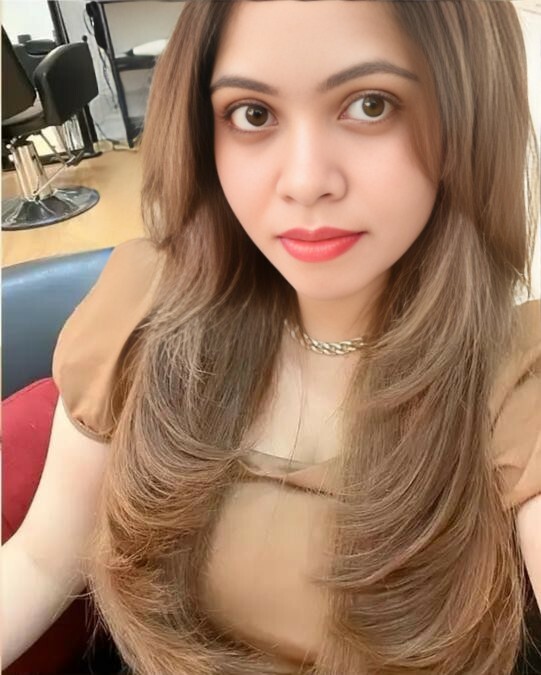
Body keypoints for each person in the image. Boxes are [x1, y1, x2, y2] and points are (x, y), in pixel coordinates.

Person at [2, 1, 541, 673]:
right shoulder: (146, 308)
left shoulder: (514, 375)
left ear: (468, 120)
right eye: (252, 114)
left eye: (370, 105)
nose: (305, 181)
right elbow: (41, 561)